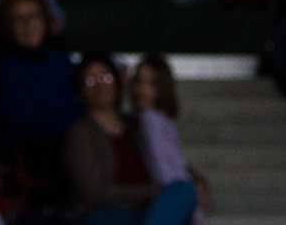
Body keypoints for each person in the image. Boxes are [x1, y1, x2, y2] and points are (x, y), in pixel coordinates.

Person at [63, 55, 189, 225]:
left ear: (117, 82)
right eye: (90, 80)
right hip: (106, 213)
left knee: (184, 191)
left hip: (147, 211)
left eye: (106, 77)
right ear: (81, 91)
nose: (100, 85)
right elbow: (95, 193)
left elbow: (167, 156)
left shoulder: (135, 124)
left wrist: (195, 180)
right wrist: (152, 192)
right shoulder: (80, 133)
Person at [0, 0, 77, 158]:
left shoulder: (61, 61)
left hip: (76, 142)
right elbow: (22, 125)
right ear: (7, 26)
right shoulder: (5, 70)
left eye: (34, 16)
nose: (28, 24)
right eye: (18, 18)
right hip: (37, 152)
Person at [125, 57, 196, 224]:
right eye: (139, 81)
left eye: (151, 84)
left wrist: (164, 190)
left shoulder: (150, 117)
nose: (142, 89)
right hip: (174, 188)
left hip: (171, 188)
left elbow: (162, 162)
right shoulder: (157, 117)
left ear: (162, 88)